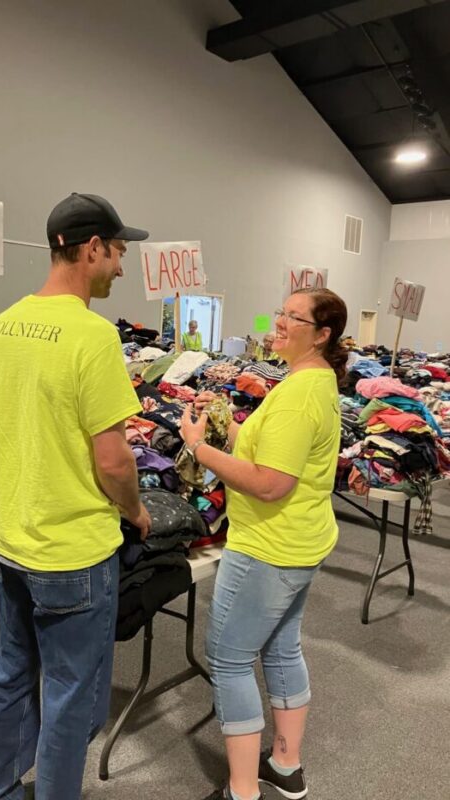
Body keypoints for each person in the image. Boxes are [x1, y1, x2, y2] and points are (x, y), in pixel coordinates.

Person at [0, 192, 152, 800]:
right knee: (72, 697)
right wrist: (135, 510)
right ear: (92, 248)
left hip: (13, 538)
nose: (120, 268)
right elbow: (113, 459)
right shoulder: (93, 337)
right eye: (118, 252)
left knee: (10, 674)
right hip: (73, 551)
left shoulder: (1, 327)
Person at [181, 288, 348, 800]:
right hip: (298, 541)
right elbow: (271, 452)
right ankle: (285, 765)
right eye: (281, 311)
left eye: (294, 318)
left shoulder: (298, 394)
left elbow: (271, 483)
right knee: (280, 647)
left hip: (268, 547)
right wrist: (228, 424)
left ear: (321, 335)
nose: (279, 322)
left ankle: (242, 790)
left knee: (229, 659)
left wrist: (198, 447)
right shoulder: (310, 381)